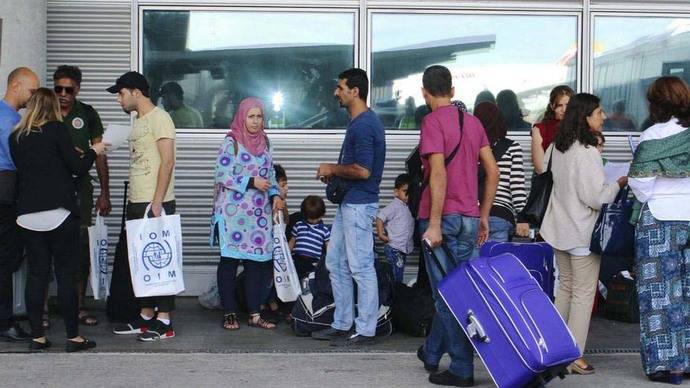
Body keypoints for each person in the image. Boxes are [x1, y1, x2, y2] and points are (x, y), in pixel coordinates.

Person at [416, 65, 499, 387]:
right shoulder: (474, 122)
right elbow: (492, 171)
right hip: (468, 217)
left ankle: (462, 368)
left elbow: (438, 173)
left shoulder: (432, 122)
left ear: (425, 91)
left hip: (442, 219)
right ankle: (432, 352)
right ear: (451, 89)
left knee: (447, 297)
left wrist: (434, 224)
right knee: (459, 291)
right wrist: (484, 214)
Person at [10, 88, 107, 351]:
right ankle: (73, 337)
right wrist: (93, 151)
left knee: (36, 275)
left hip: (27, 214)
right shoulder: (57, 129)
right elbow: (77, 169)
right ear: (52, 106)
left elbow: (31, 169)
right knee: (65, 274)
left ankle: (37, 337)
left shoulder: (16, 136)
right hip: (58, 212)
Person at [539, 93, 626, 375]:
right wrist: (617, 184)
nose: (603, 116)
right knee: (583, 294)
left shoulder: (558, 146)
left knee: (565, 288)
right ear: (586, 116)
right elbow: (596, 198)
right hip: (581, 231)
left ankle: (555, 347)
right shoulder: (587, 152)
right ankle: (574, 355)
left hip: (558, 227)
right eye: (599, 112)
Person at [313, 68, 385, 347]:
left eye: (340, 87)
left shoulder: (365, 125)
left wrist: (332, 167)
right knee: (335, 262)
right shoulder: (360, 122)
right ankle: (342, 323)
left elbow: (364, 170)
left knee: (361, 266)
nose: (336, 92)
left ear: (355, 91)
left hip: (358, 204)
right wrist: (337, 173)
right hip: (350, 203)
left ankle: (366, 329)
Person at [107, 71, 178, 341]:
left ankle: (165, 321)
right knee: (140, 262)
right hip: (136, 201)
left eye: (121, 94)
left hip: (154, 202)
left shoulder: (161, 118)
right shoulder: (137, 121)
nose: (119, 100)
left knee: (160, 259)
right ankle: (146, 315)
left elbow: (167, 161)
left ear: (136, 92)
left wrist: (158, 201)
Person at [628, 76, 690, 385]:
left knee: (659, 295)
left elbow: (640, 185)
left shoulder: (650, 136)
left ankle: (668, 366)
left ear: (655, 103)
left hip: (659, 219)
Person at [209, 97, 284, 331]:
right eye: (251, 116)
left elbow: (270, 175)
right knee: (229, 263)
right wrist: (251, 181)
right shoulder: (231, 142)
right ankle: (229, 312)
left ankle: (254, 313)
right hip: (232, 214)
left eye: (259, 116)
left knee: (256, 265)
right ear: (242, 117)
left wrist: (276, 195)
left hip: (258, 216)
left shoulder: (266, 142)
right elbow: (221, 174)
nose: (255, 121)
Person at [52, 65, 110, 327]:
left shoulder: (86, 113)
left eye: (68, 89)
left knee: (81, 249)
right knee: (47, 248)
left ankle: (78, 307)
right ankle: (42, 311)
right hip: (51, 190)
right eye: (58, 88)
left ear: (78, 89)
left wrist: (105, 193)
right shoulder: (46, 110)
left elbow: (99, 153)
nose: (62, 94)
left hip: (81, 190)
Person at [0, 67, 39, 342]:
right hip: (7, 191)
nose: (33, 96)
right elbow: (17, 159)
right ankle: (4, 322)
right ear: (15, 85)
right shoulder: (10, 120)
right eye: (31, 90)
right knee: (7, 258)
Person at [473, 102, 527, 242]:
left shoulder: (470, 147)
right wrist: (522, 217)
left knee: (472, 263)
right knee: (495, 263)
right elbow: (517, 187)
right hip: (500, 216)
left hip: (471, 216)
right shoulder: (512, 147)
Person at [375, 173, 414, 282]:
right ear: (396, 192)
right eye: (405, 191)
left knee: (398, 274)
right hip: (394, 248)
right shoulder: (394, 206)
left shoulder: (411, 206)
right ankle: (394, 295)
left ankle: (395, 293)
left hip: (402, 248)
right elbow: (380, 217)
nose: (408, 195)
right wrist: (380, 233)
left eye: (410, 192)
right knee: (396, 276)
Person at [531, 85, 574, 174]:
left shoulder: (581, 126)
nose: (564, 109)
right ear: (551, 106)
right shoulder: (540, 129)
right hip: (551, 182)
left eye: (568, 105)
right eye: (559, 105)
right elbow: (540, 169)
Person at [289, 195, 330, 280]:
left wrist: (328, 261)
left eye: (316, 218)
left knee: (311, 280)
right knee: (294, 278)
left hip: (314, 262)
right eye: (310, 218)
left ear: (322, 215)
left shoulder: (324, 230)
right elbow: (292, 241)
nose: (313, 220)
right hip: (297, 259)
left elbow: (328, 247)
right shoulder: (298, 225)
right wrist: (287, 255)